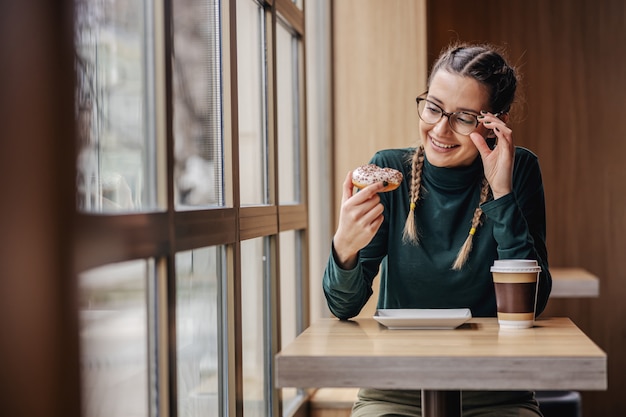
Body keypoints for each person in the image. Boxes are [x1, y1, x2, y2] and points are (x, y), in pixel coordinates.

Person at [323, 42, 552, 417]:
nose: (440, 129)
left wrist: (502, 194)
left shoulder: (519, 169)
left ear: (495, 123)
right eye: (433, 108)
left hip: (496, 393)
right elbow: (342, 306)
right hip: (394, 392)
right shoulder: (387, 171)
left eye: (463, 117)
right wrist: (344, 249)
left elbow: (533, 305)